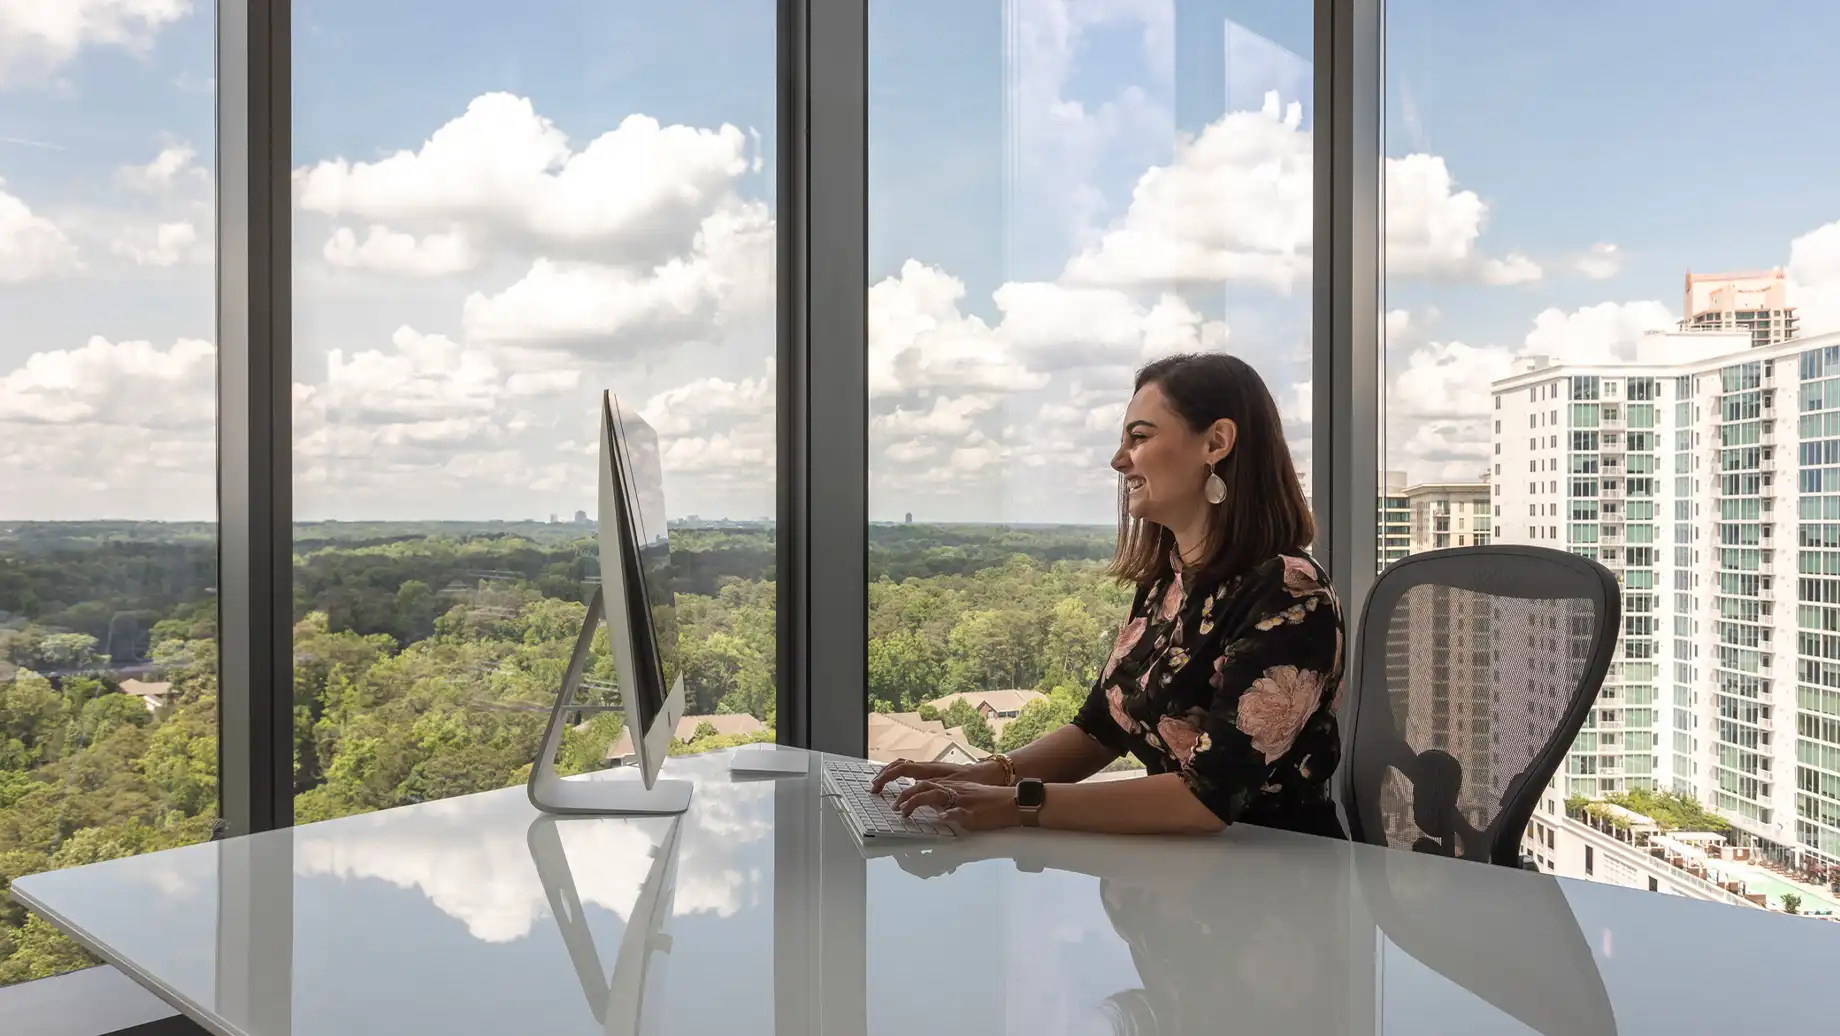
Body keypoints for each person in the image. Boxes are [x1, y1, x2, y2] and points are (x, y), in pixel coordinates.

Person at [871, 352, 1345, 838]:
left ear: (1216, 442)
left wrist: (1016, 803)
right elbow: (1100, 729)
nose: (1119, 461)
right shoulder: (1169, 582)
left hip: (1278, 879)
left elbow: (1205, 799)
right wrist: (977, 777)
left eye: (1139, 437)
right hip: (1177, 876)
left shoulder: (1291, 595)